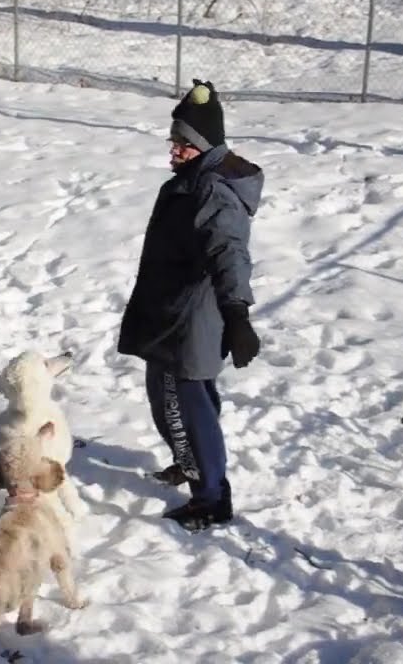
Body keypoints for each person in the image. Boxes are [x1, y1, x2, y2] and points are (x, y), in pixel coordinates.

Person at [116, 79, 264, 531]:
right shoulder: (189, 180)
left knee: (189, 401)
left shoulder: (214, 191)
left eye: (183, 143)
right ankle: (190, 462)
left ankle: (212, 498)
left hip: (195, 316)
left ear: (202, 144)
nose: (174, 150)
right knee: (163, 394)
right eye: (174, 141)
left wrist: (237, 313)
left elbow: (229, 253)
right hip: (168, 310)